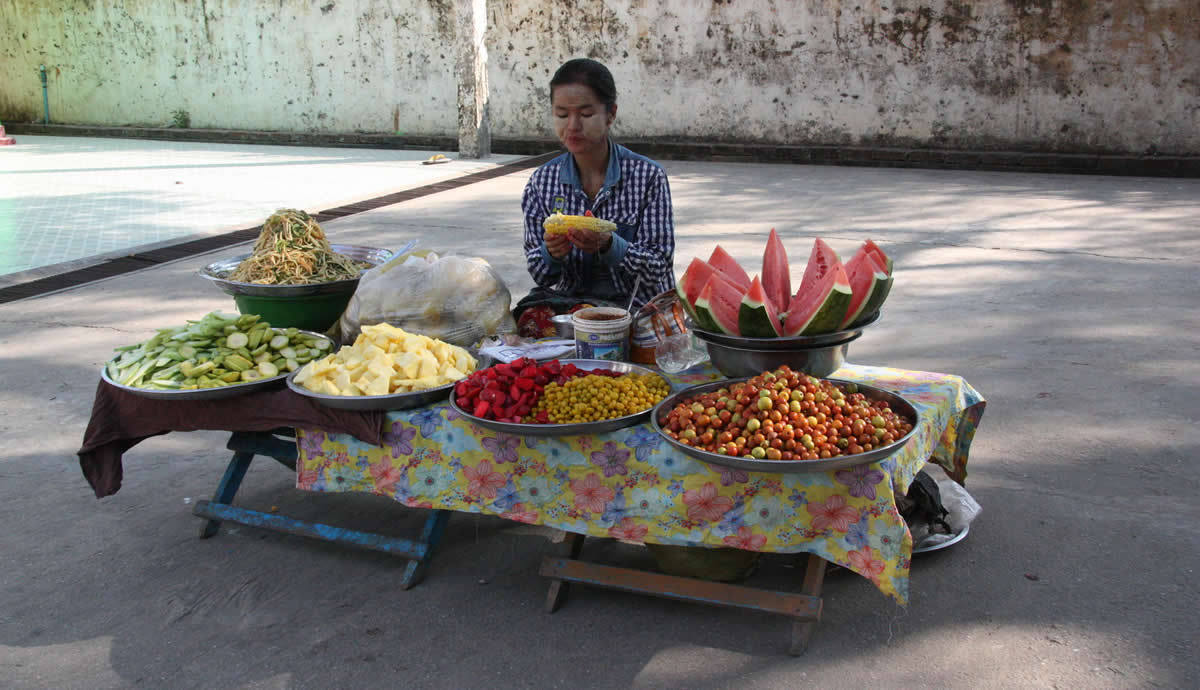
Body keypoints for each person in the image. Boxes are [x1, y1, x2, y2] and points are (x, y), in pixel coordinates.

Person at [516, 58, 676, 338]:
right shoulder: (541, 183)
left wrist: (610, 245)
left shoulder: (648, 176)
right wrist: (552, 253)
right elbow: (541, 275)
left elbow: (657, 268)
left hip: (637, 310)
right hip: (573, 310)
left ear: (610, 114)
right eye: (562, 115)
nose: (573, 126)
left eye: (586, 114)